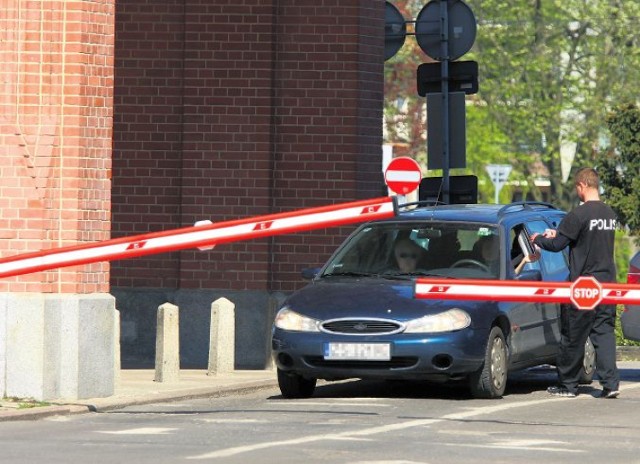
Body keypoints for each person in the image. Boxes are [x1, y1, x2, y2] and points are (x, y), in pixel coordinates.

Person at [530, 167, 619, 398]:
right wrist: (556, 232)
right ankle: (610, 384)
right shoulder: (609, 214)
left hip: (583, 285)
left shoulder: (579, 214)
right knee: (604, 332)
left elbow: (557, 245)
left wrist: (538, 239)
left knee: (574, 334)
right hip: (607, 282)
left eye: (576, 188)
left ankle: (568, 385)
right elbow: (579, 236)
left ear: (582, 185)